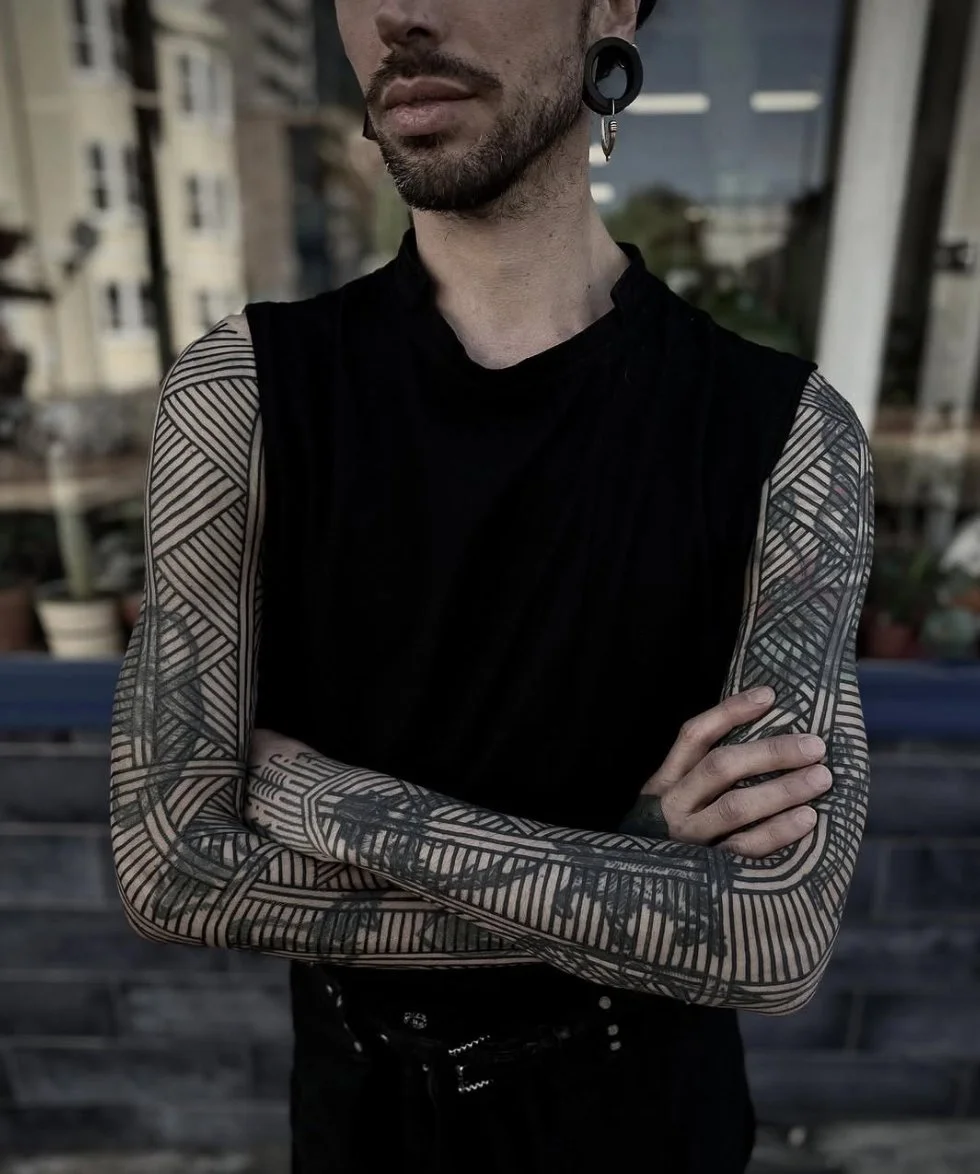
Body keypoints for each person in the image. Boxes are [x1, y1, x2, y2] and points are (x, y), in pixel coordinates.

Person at [110, 1, 874, 1171]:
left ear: (610, 9)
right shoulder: (243, 393)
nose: (399, 14)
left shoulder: (783, 432)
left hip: (646, 1128)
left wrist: (325, 800)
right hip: (357, 1122)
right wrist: (640, 863)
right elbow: (172, 871)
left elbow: (770, 936)